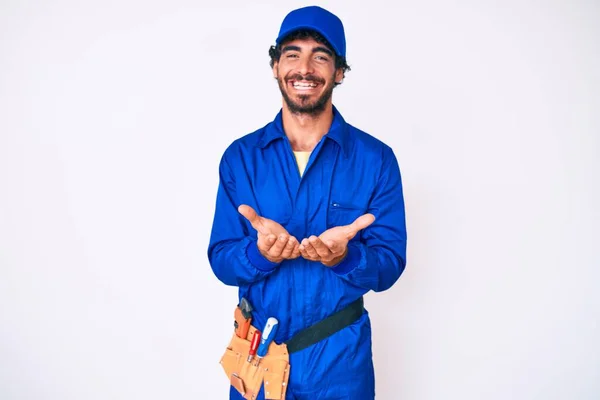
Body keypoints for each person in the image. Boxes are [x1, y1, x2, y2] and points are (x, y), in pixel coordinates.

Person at [208, 5, 407, 399]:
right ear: (276, 67)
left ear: (339, 72)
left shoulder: (376, 159)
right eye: (292, 54)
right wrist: (259, 253)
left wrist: (345, 257)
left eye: (321, 56)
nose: (305, 67)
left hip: (340, 365)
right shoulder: (242, 158)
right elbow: (221, 259)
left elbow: (389, 266)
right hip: (258, 357)